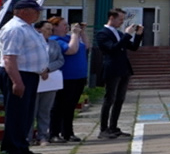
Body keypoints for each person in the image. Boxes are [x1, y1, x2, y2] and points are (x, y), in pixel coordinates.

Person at [0, 0, 49, 154]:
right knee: (16, 112)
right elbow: (9, 58)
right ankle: (12, 148)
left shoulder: (28, 28)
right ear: (22, 11)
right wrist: (17, 81)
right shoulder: (15, 28)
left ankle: (21, 145)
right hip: (18, 74)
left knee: (26, 114)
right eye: (35, 11)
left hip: (29, 74)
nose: (38, 14)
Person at [95, 9, 142, 138]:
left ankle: (113, 127)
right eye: (120, 19)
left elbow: (133, 47)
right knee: (109, 98)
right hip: (112, 69)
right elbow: (112, 48)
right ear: (111, 18)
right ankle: (103, 129)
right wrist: (127, 35)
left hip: (123, 69)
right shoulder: (102, 34)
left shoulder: (118, 33)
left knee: (120, 99)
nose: (122, 22)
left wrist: (138, 35)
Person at [48, 17, 88, 143]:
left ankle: (68, 132)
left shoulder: (69, 38)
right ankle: (54, 132)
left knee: (70, 106)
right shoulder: (55, 40)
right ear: (54, 27)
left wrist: (81, 32)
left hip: (78, 76)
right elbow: (71, 50)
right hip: (66, 77)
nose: (66, 27)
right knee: (59, 106)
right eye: (63, 25)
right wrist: (75, 34)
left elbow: (86, 46)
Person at [33, 18, 64, 145]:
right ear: (38, 30)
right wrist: (40, 70)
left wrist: (48, 69)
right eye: (47, 29)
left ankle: (43, 136)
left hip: (50, 81)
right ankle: (28, 136)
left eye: (51, 30)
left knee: (45, 110)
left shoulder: (54, 44)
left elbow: (60, 60)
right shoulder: (32, 43)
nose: (50, 32)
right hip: (34, 79)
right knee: (32, 110)